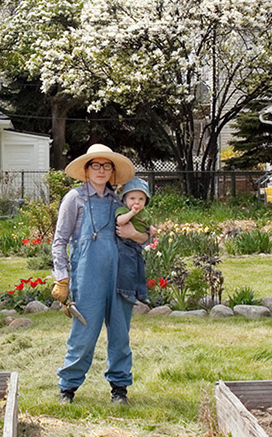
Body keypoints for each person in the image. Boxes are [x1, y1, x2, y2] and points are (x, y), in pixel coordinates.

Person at [50, 142, 138, 405]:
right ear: (86, 170)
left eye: (106, 166)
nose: (101, 170)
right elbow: (59, 240)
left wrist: (135, 234)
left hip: (120, 276)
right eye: (95, 165)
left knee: (120, 334)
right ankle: (67, 388)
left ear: (112, 172)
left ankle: (119, 389)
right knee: (83, 334)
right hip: (87, 276)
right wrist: (62, 277)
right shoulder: (74, 199)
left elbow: (141, 236)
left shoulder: (119, 203)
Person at [113, 177, 154, 307]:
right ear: (125, 200)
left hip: (137, 246)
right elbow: (120, 221)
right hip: (125, 244)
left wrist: (152, 229)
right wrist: (131, 213)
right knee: (127, 268)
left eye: (141, 199)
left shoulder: (145, 214)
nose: (137, 202)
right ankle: (126, 291)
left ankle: (142, 294)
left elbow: (148, 225)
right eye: (132, 199)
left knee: (140, 269)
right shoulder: (124, 210)